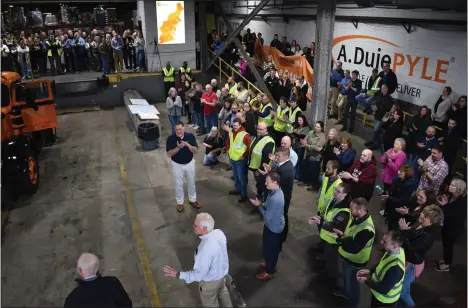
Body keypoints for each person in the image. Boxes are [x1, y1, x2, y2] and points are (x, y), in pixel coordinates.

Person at [163, 213, 232, 308]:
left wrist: (178, 274)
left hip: (210, 283)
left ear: (204, 228)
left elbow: (199, 275)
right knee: (223, 292)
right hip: (221, 275)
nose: (193, 227)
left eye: (195, 226)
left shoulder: (205, 250)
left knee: (210, 302)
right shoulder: (219, 233)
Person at [397, 205, 443, 306]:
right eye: (423, 213)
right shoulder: (420, 223)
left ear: (431, 222)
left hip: (412, 264)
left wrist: (404, 232)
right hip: (408, 259)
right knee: (405, 287)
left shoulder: (428, 237)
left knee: (401, 291)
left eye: (425, 216)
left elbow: (412, 247)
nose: (422, 215)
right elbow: (411, 234)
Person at [334, 197, 376, 307]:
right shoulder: (357, 218)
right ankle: (345, 292)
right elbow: (352, 236)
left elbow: (354, 248)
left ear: (360, 210)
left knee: (353, 284)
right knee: (346, 278)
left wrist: (340, 241)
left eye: (352, 208)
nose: (349, 209)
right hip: (347, 256)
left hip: (354, 261)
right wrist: (343, 236)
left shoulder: (367, 229)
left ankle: (352, 303)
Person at [309, 182, 351, 289]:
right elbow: (329, 216)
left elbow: (335, 226)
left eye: (338, 191)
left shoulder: (344, 211)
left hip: (333, 240)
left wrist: (320, 223)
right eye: (335, 189)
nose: (335, 192)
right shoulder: (334, 200)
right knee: (327, 257)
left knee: (333, 261)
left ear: (345, 195)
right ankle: (326, 271)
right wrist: (321, 219)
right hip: (327, 236)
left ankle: (331, 279)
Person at [250, 172, 285, 280]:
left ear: (275, 182)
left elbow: (267, 216)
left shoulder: (275, 198)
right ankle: (270, 265)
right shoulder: (276, 191)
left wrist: (258, 205)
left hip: (273, 227)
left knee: (270, 249)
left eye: (268, 182)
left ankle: (269, 271)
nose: (265, 184)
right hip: (274, 225)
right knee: (270, 248)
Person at [64, 253, 132, 307]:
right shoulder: (112, 283)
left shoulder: (72, 299)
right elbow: (127, 304)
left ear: (81, 271)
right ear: (97, 268)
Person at [357, 230, 405, 307]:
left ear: (394, 246)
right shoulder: (396, 250)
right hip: (379, 296)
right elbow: (382, 263)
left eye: (385, 242)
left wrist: (366, 281)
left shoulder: (395, 268)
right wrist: (370, 271)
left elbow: (384, 289)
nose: (381, 242)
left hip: (384, 301)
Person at [260, 147, 295, 249]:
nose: (276, 158)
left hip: (282, 197)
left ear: (286, 156)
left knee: (280, 215)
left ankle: (279, 240)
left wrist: (268, 173)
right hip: (283, 196)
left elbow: (276, 182)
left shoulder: (285, 169)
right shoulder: (285, 165)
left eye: (278, 156)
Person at [166, 122, 200, 212]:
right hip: (177, 165)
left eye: (180, 129)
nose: (178, 131)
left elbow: (196, 150)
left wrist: (187, 144)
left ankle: (193, 200)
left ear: (184, 128)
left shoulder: (190, 136)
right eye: (176, 129)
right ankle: (180, 203)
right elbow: (169, 154)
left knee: (191, 182)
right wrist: (178, 148)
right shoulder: (171, 139)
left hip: (189, 163)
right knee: (178, 184)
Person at [434, 179, 467, 272]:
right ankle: (445, 260)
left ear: (459, 189)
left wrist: (444, 207)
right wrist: (444, 205)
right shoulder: (453, 197)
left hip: (453, 229)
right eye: (451, 184)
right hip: (448, 226)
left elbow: (453, 215)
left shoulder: (462, 202)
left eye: (453, 185)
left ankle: (447, 264)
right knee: (445, 244)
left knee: (448, 246)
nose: (450, 186)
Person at [247, 122, 275, 202]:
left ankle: (263, 200)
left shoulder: (269, 141)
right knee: (259, 184)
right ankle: (260, 197)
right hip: (255, 166)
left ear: (266, 129)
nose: (258, 131)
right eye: (258, 129)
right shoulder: (259, 136)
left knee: (263, 185)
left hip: (261, 170)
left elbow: (266, 159)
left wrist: (260, 170)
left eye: (261, 129)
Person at [226, 118, 252, 203]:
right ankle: (237, 190)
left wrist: (244, 155)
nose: (235, 128)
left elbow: (249, 147)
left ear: (240, 125)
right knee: (236, 176)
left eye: (236, 126)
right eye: (233, 126)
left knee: (242, 178)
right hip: (233, 158)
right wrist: (228, 149)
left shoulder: (245, 135)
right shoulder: (231, 132)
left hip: (241, 160)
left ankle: (244, 195)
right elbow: (228, 141)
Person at [316, 160, 342, 235]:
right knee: (319, 227)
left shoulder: (339, 184)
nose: (326, 170)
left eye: (328, 168)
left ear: (335, 170)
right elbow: (321, 189)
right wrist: (318, 198)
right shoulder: (326, 177)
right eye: (326, 168)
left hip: (328, 213)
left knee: (325, 230)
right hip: (320, 209)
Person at [298, 121, 326, 190]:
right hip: (308, 154)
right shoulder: (311, 132)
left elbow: (318, 148)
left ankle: (314, 185)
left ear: (321, 128)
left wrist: (308, 145)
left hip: (315, 157)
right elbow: (305, 140)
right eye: (315, 126)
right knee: (306, 169)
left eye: (318, 127)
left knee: (314, 172)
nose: (316, 128)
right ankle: (305, 181)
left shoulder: (322, 136)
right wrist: (307, 144)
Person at [366, 84, 394, 150]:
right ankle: (373, 141)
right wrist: (373, 106)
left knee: (376, 130)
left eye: (383, 88)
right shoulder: (379, 95)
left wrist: (384, 116)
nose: (382, 90)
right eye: (381, 88)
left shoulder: (389, 99)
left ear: (386, 89)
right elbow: (376, 102)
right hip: (376, 115)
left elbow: (389, 109)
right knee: (376, 130)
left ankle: (376, 144)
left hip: (382, 118)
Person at [291, 115, 311, 180]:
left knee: (299, 161)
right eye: (298, 120)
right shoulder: (297, 127)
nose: (299, 122)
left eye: (300, 120)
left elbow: (302, 136)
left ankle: (298, 176)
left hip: (300, 147)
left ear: (304, 120)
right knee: (294, 160)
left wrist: (293, 133)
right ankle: (293, 174)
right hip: (295, 145)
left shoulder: (306, 128)